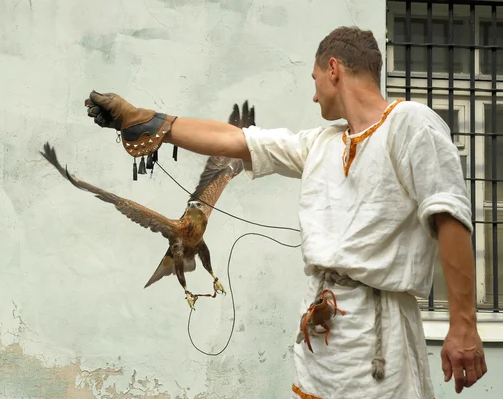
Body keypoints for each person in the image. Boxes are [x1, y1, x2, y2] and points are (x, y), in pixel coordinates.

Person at [83, 26, 487, 399]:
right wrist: (150, 121)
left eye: (314, 81)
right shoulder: (322, 144)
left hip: (378, 338)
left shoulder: (411, 124)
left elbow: (449, 216)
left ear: (333, 69)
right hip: (323, 332)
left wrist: (464, 323)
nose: (314, 96)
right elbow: (237, 140)